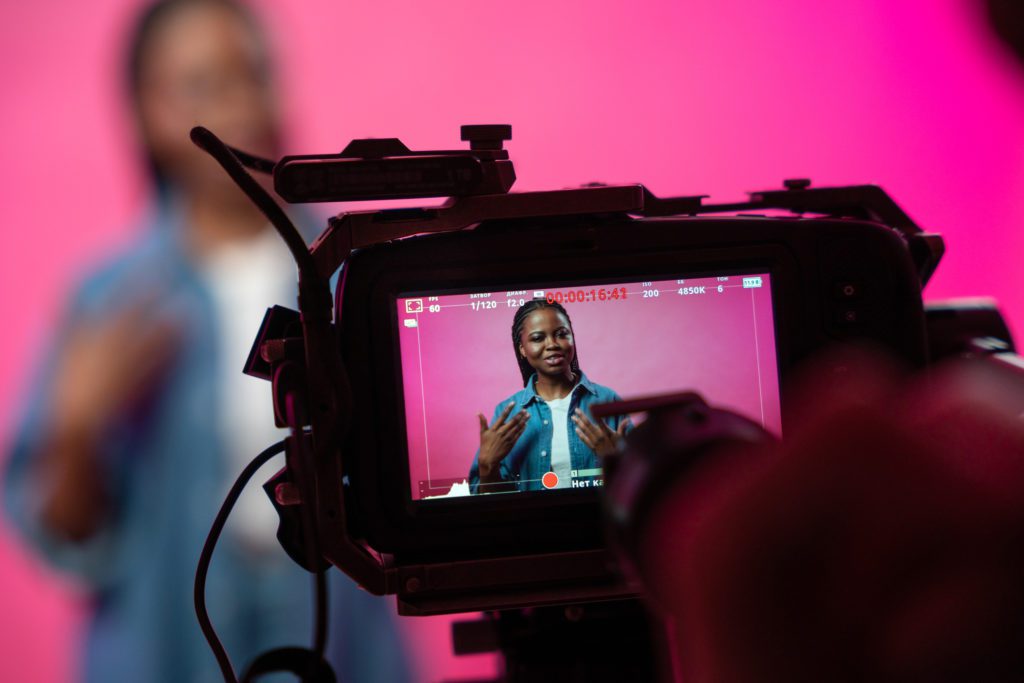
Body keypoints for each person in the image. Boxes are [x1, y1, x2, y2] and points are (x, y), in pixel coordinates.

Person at [3, 1, 409, 681]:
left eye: (253, 73)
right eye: (202, 84)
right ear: (145, 112)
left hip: (343, 647)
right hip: (164, 650)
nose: (241, 101)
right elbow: (61, 528)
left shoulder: (353, 275)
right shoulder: (110, 299)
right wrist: (75, 429)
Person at [469, 299, 630, 493]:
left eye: (562, 334)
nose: (552, 344)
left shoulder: (607, 400)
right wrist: (487, 466)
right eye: (538, 338)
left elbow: (642, 483)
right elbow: (490, 501)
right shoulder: (507, 411)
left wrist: (619, 461)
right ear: (522, 349)